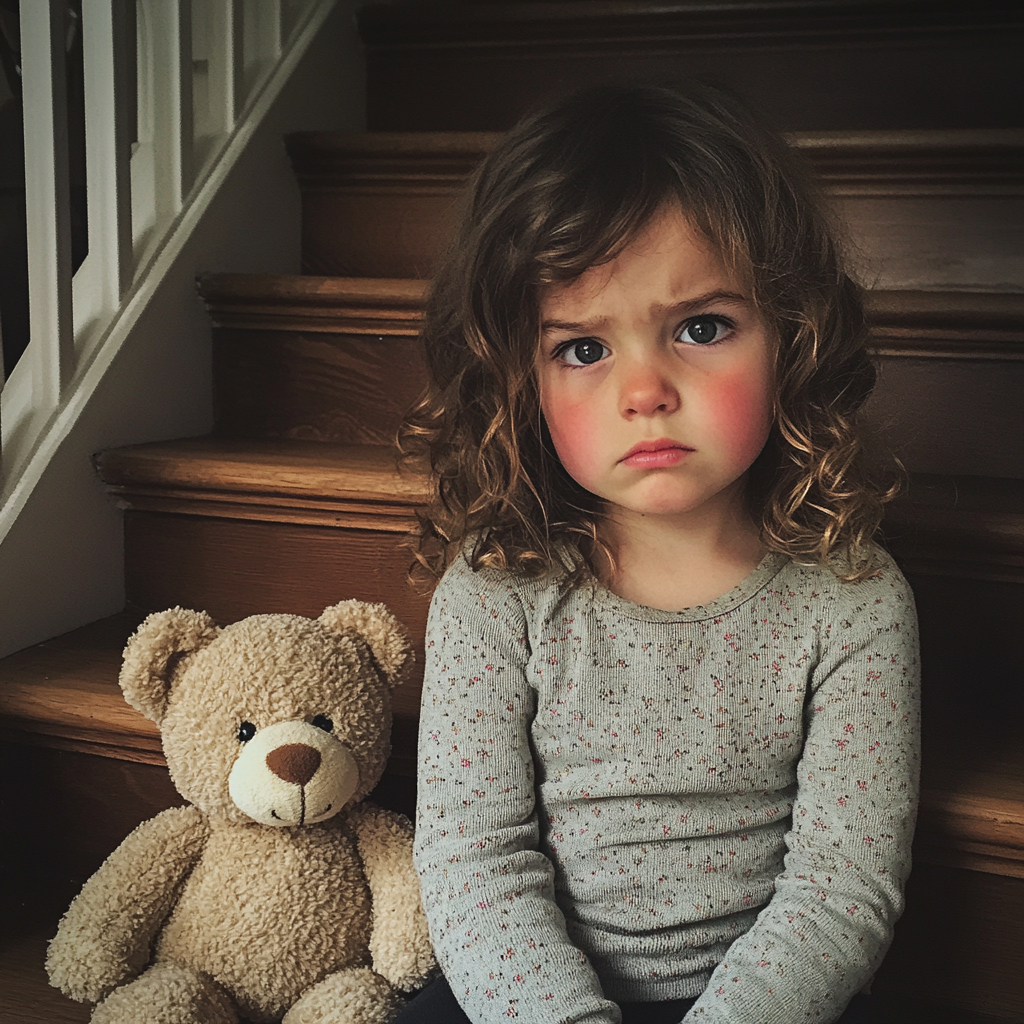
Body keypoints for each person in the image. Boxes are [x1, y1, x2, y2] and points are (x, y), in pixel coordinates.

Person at [394, 85, 920, 1024]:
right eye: (585, 348)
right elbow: (474, 859)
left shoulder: (853, 595)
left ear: (792, 341)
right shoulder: (497, 586)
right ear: (521, 379)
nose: (645, 390)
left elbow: (842, 893)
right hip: (537, 992)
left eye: (701, 328)